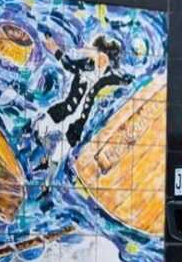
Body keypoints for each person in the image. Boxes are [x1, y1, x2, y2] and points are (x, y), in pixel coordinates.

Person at [28, 33, 134, 193]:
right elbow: (68, 64)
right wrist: (54, 48)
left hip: (77, 124)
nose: (101, 61)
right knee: (39, 129)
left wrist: (127, 79)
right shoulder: (85, 64)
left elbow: (121, 80)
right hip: (62, 112)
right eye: (99, 55)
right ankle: (46, 156)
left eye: (105, 59)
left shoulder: (107, 77)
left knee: (58, 156)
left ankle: (47, 184)